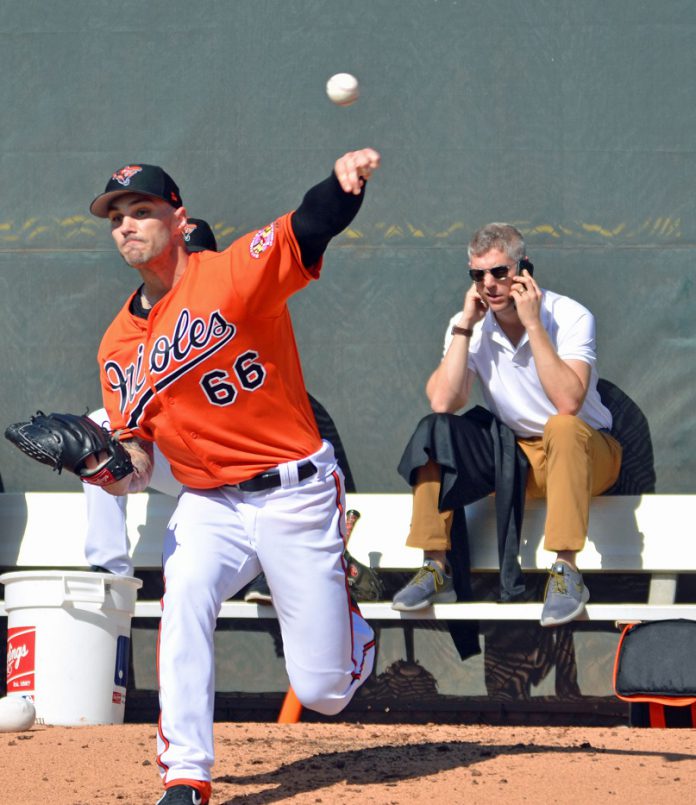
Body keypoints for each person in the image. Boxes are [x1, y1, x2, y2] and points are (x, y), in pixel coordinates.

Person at [88, 152, 380, 805]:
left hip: (295, 490)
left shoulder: (233, 273)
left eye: (142, 210)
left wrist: (341, 187)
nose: (127, 225)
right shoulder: (118, 345)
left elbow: (307, 227)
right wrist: (107, 469)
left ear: (178, 217)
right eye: (116, 217)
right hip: (209, 502)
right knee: (184, 592)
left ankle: (352, 630)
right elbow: (137, 461)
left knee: (325, 690)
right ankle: (186, 775)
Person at [392, 223, 622, 629]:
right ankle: (435, 566)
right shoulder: (469, 326)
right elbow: (444, 401)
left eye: (500, 272)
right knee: (434, 430)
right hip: (515, 459)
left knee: (562, 426)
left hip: (586, 453)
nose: (489, 284)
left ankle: (566, 571)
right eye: (477, 275)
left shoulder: (568, 315)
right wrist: (464, 325)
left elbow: (568, 401)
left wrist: (533, 325)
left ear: (525, 269)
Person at [85, 218, 219, 576]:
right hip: (183, 465)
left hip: (242, 473)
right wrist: (130, 452)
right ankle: (108, 568)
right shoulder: (135, 330)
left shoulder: (231, 311)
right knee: (98, 431)